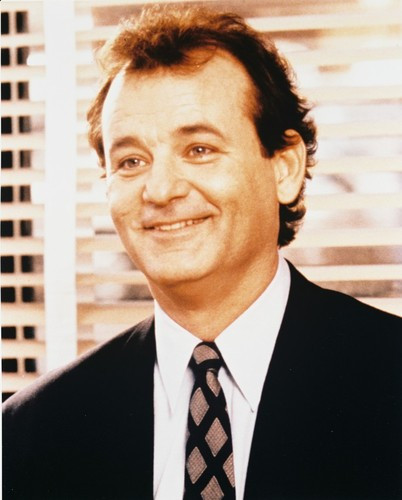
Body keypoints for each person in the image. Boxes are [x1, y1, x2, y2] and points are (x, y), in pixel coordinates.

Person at [3, 6, 401, 500]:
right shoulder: (30, 432)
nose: (160, 190)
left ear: (284, 168)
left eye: (199, 150)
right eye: (131, 161)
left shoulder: (390, 378)